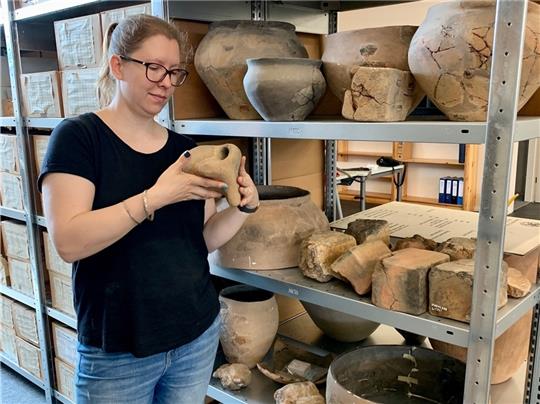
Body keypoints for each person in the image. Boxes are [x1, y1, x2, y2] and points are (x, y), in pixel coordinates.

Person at [38, 14, 259, 404]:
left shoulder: (183, 149)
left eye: (174, 72)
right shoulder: (79, 138)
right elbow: (69, 242)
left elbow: (202, 239)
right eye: (153, 67)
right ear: (118, 65)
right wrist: (154, 197)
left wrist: (243, 208)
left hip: (195, 335)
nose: (165, 81)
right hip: (120, 350)